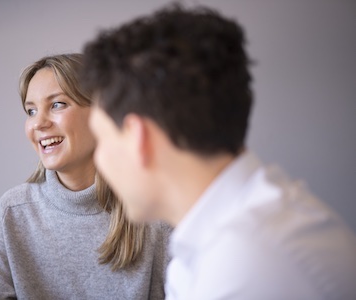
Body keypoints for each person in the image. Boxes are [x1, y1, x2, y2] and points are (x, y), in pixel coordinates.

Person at [80, 5, 356, 300]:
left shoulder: (247, 265)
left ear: (138, 137)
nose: (99, 159)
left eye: (102, 138)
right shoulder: (222, 242)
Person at [0, 54, 171, 299]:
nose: (38, 123)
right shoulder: (15, 210)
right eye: (31, 110)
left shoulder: (155, 212)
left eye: (57, 104)